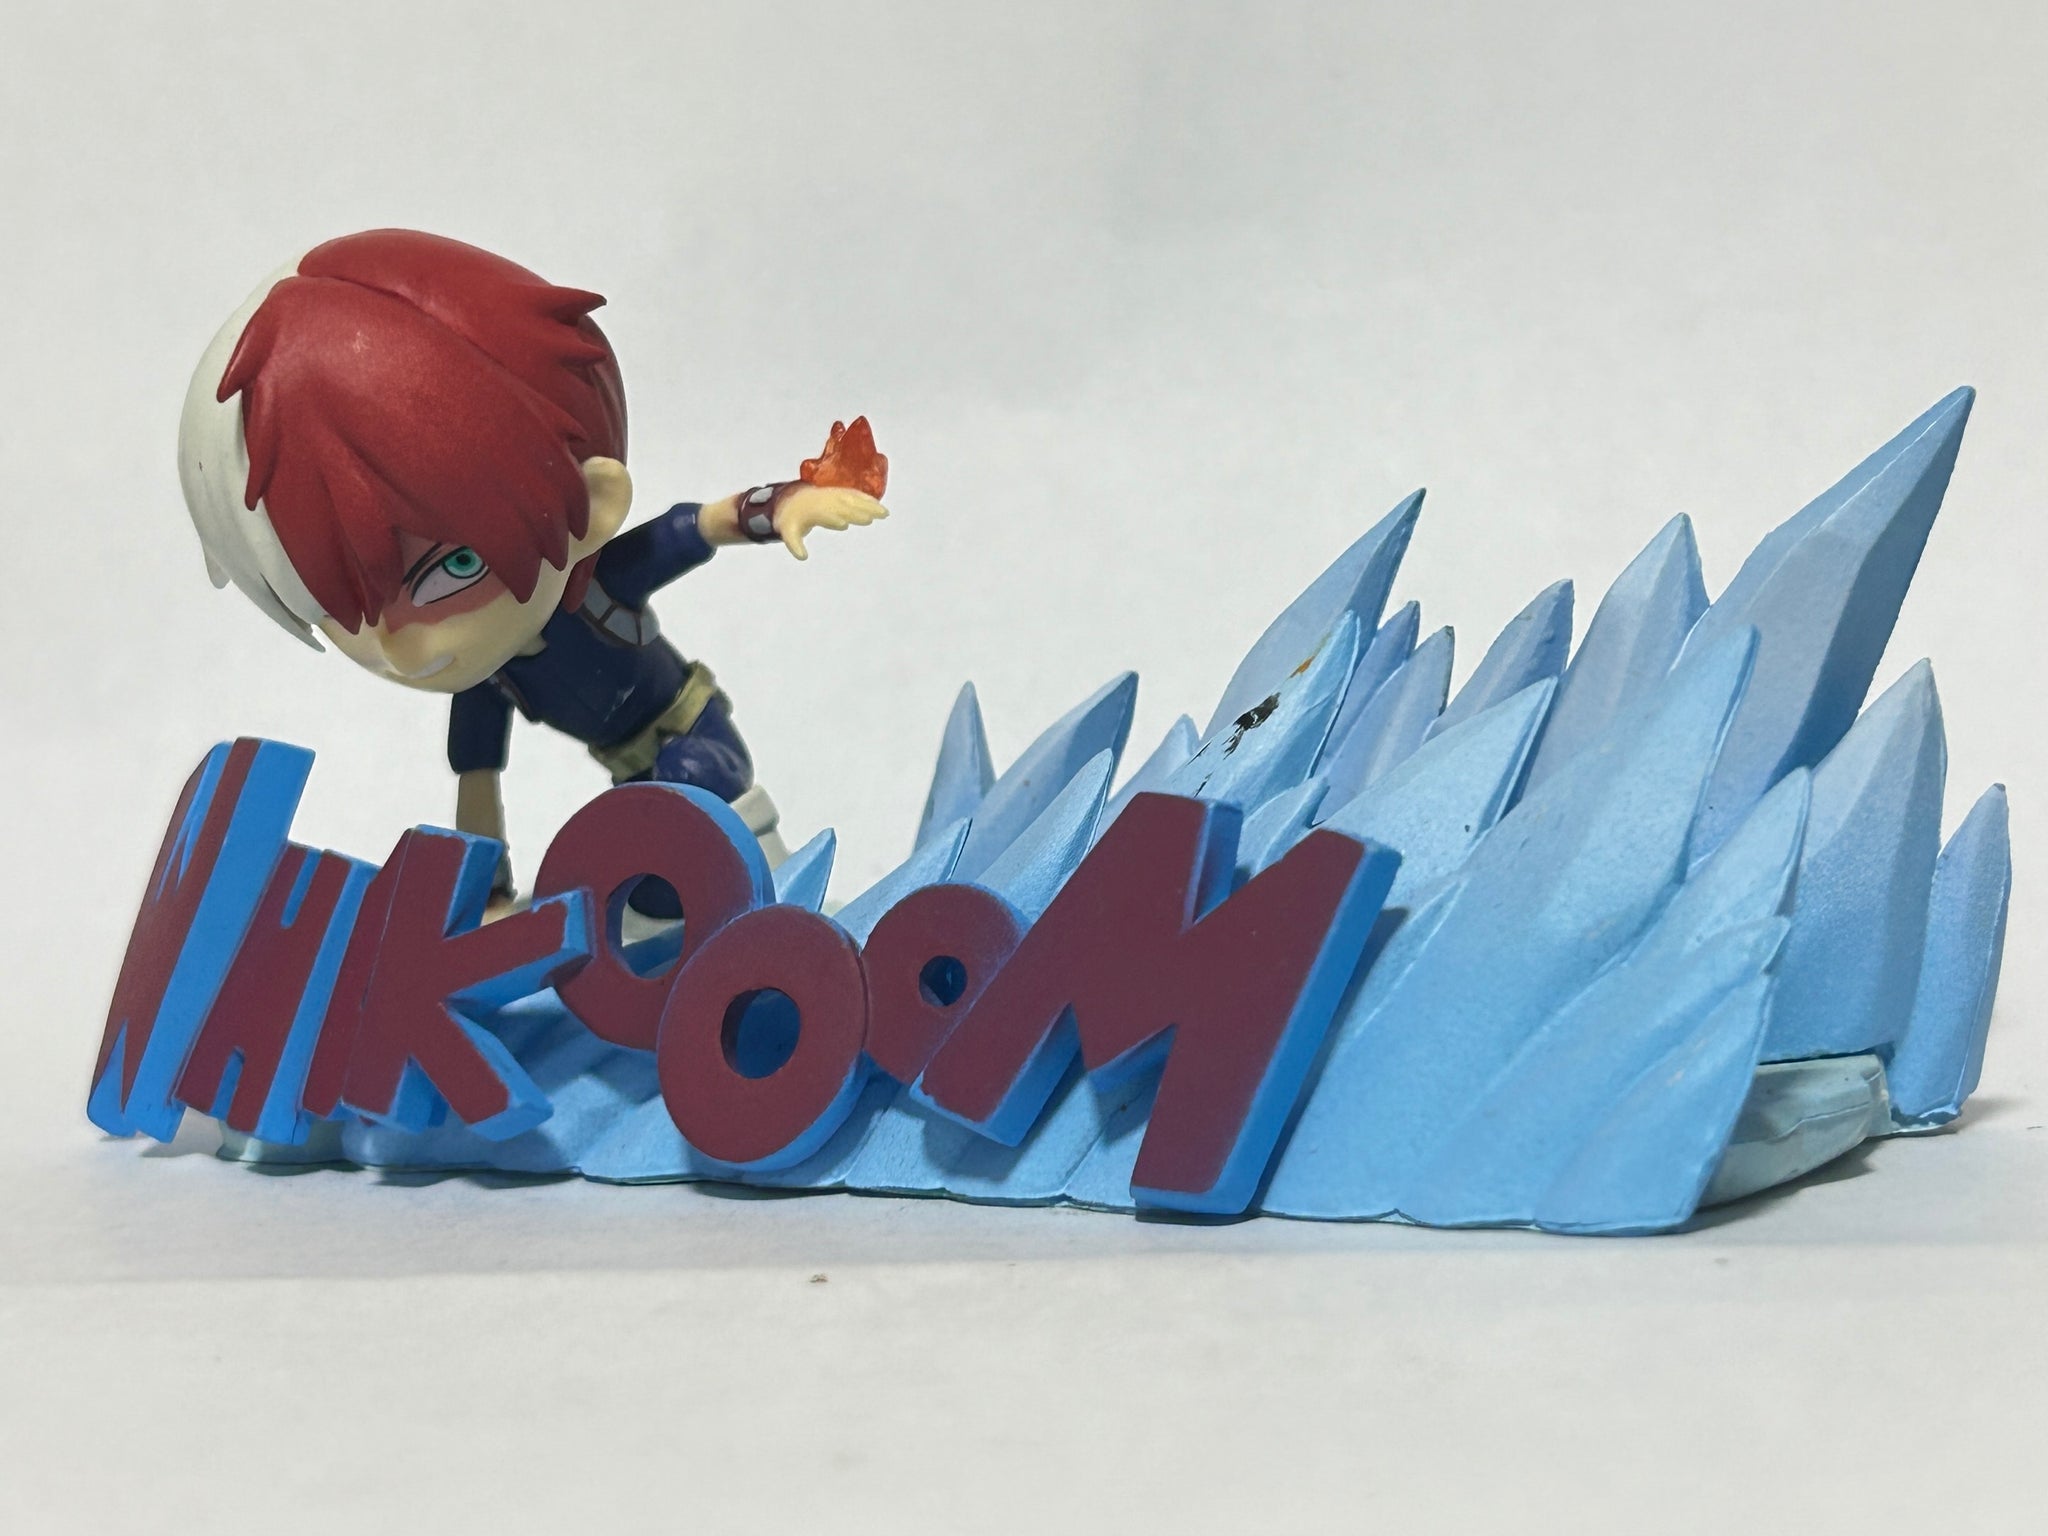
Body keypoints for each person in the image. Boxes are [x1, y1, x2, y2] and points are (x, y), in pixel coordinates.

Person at [177, 228, 887, 911]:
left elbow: (696, 526)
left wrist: (787, 501)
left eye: (455, 566)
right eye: (336, 600)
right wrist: (487, 897)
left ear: (593, 503)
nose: (401, 646)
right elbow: (478, 787)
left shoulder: (599, 589)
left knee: (692, 802)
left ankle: (791, 913)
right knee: (636, 875)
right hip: (633, 786)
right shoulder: (490, 681)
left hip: (694, 740)